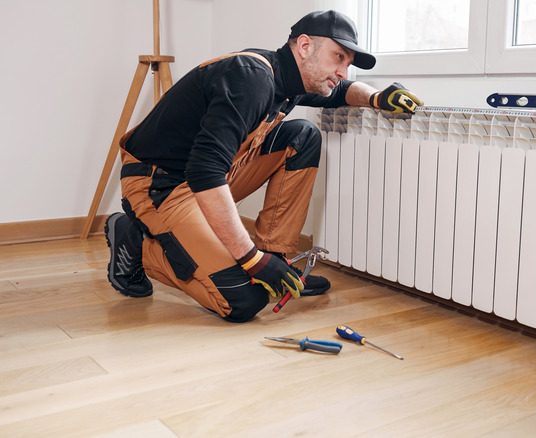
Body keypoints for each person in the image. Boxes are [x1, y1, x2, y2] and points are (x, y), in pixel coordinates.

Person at [104, 10, 422, 322]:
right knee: (243, 300)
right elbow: (205, 172)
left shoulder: (289, 79)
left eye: (348, 63)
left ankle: (277, 259)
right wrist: (251, 260)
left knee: (302, 135)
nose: (343, 70)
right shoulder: (251, 78)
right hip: (159, 185)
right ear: (305, 46)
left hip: (205, 178)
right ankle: (136, 242)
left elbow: (338, 92)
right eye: (338, 57)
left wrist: (378, 97)